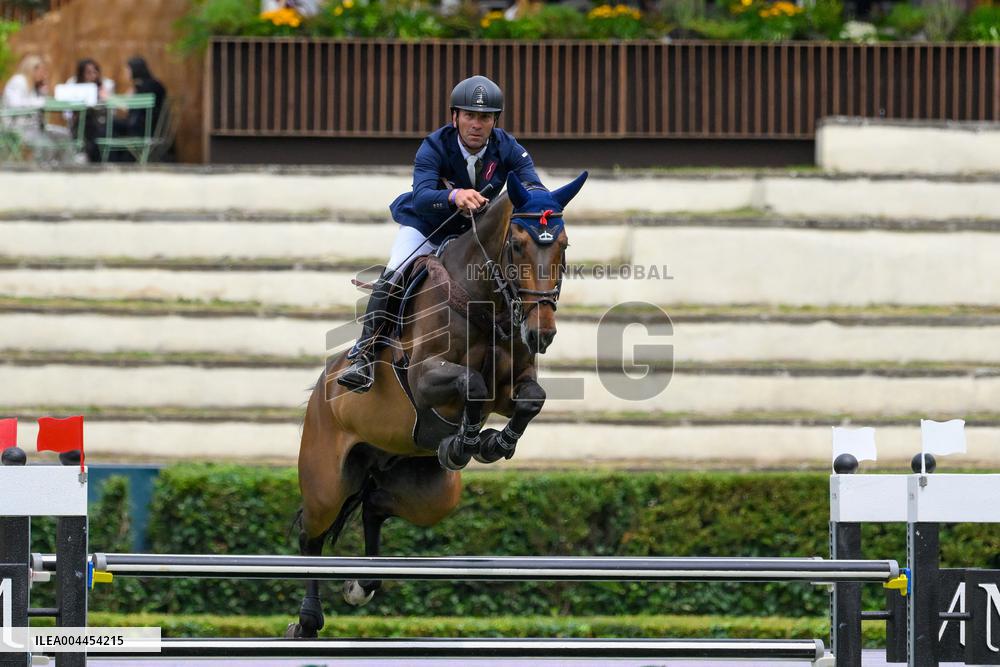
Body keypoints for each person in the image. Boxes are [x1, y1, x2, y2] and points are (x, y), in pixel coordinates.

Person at [338, 74, 543, 393]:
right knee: (394, 272)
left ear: (494, 121)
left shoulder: (508, 147)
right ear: (455, 117)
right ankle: (363, 354)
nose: (477, 124)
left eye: (485, 118)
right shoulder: (435, 145)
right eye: (470, 116)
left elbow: (533, 184)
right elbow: (420, 195)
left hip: (475, 234)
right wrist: (453, 195)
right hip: (428, 226)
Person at [110, 56, 169, 160]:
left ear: (135, 70)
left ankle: (116, 160)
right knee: (109, 125)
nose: (126, 73)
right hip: (146, 126)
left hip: (145, 128)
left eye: (127, 70)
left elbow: (129, 106)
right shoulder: (151, 84)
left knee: (107, 125)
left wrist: (108, 98)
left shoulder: (146, 86)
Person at [65, 58, 115, 162]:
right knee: (84, 120)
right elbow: (67, 112)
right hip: (78, 123)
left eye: (95, 71)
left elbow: (112, 111)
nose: (93, 75)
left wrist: (105, 98)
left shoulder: (104, 86)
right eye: (88, 72)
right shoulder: (73, 84)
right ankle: (82, 154)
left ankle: (86, 155)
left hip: (100, 123)